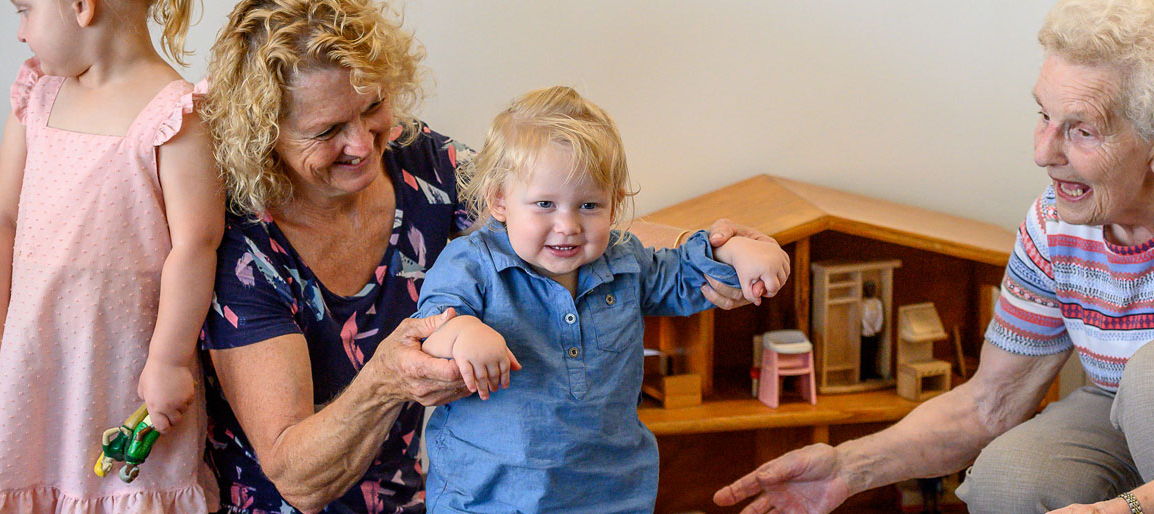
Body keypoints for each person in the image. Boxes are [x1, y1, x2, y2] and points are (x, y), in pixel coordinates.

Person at [714, 1, 1154, 513]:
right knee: (1011, 476)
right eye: (1043, 115)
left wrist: (1123, 510)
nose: (1043, 152)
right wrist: (847, 468)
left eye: (1081, 129)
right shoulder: (1055, 222)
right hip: (1136, 410)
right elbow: (990, 403)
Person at [197, 2, 775, 512]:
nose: (362, 142)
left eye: (371, 106)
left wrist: (709, 250)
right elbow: (297, 481)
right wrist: (390, 378)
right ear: (265, 135)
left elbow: (547, 209)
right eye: (327, 130)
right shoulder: (246, 249)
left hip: (430, 492)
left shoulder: (423, 163)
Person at [410, 86, 791, 512]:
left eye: (589, 204)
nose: (567, 224)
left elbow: (684, 273)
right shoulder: (470, 262)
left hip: (609, 495)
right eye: (545, 204)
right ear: (500, 200)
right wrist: (461, 333)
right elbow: (429, 330)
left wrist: (734, 252)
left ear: (615, 205)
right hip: (488, 498)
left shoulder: (624, 259)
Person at [0, 0, 222, 511]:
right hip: (39, 354)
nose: (20, 33)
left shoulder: (174, 115)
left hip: (126, 366)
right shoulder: (39, 96)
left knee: (124, 487)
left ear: (82, 7)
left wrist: (168, 361)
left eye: (24, 11)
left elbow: (196, 245)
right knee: (31, 469)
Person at [858, 281, 884, 380]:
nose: (871, 290)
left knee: (873, 354)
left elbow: (880, 316)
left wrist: (877, 328)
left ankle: (872, 372)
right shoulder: (862, 303)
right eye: (869, 288)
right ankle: (863, 373)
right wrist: (868, 329)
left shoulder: (877, 302)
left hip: (875, 333)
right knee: (864, 354)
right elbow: (863, 318)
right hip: (865, 333)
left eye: (873, 288)